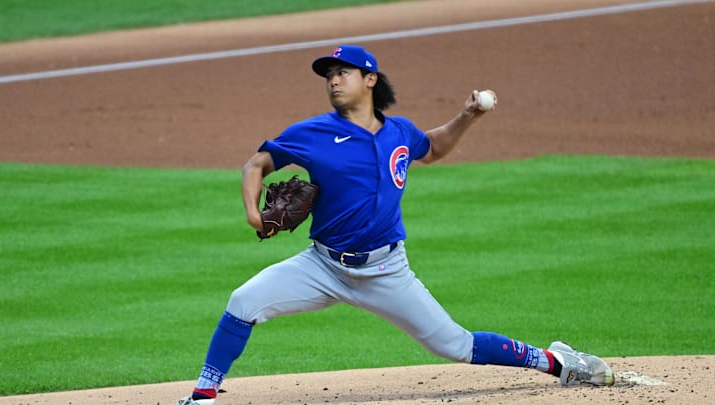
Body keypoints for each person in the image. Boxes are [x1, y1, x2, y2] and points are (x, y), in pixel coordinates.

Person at [177, 45, 614, 405]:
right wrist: (253, 211)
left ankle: (557, 361)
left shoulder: (399, 133)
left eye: (343, 72)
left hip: (386, 271)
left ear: (370, 80)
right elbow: (257, 163)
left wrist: (468, 117)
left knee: (456, 346)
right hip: (322, 266)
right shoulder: (310, 133)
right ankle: (203, 394)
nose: (332, 80)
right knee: (243, 301)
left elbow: (432, 147)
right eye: (328, 74)